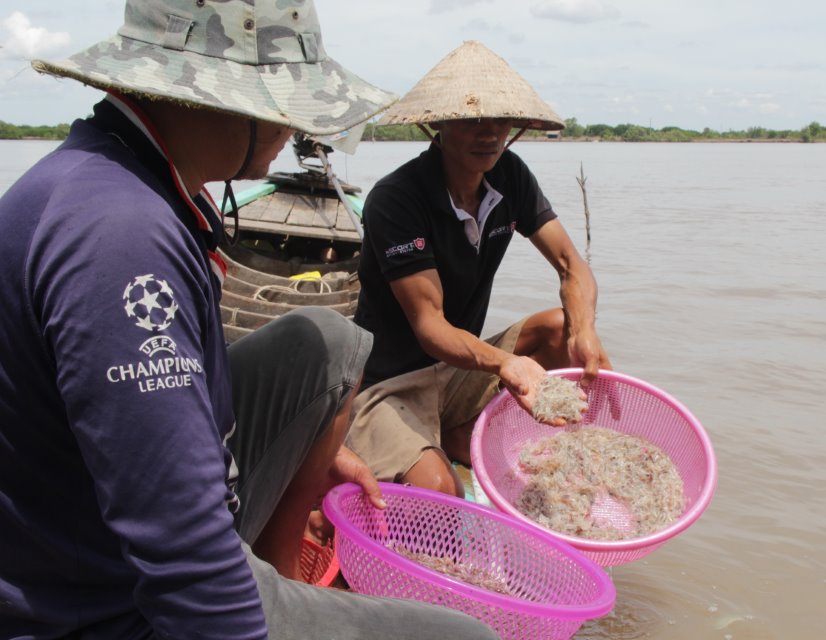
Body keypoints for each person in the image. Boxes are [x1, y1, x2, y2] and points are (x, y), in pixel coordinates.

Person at [0, 2, 498, 639]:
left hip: (85, 530)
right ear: (221, 101)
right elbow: (185, 561)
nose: (291, 129)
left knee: (326, 341)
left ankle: (281, 571)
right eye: (281, 105)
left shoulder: (117, 175)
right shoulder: (121, 239)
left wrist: (307, 455)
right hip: (109, 604)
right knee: (468, 636)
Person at [346, 41, 611, 498]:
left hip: (456, 371)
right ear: (439, 124)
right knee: (442, 493)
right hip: (391, 380)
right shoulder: (396, 199)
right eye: (471, 120)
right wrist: (505, 363)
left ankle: (454, 431)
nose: (489, 134)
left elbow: (571, 265)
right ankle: (423, 445)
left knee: (556, 328)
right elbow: (430, 326)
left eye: (500, 120)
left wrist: (582, 330)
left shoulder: (510, 176)